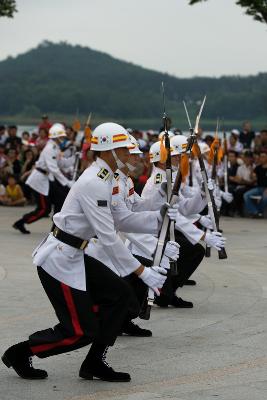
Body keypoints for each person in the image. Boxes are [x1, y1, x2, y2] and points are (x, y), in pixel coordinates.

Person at [2, 122, 167, 382]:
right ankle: (21, 352)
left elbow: (122, 218)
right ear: (108, 151)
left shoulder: (110, 178)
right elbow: (108, 238)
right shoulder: (94, 182)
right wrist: (142, 271)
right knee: (79, 331)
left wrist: (158, 218)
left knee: (120, 296)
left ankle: (94, 363)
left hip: (76, 254)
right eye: (123, 149)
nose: (129, 154)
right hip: (59, 260)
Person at [12, 123, 74, 234]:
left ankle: (55, 228)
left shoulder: (55, 147)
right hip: (39, 181)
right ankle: (21, 222)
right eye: (62, 137)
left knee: (61, 199)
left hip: (46, 179)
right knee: (44, 209)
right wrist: (67, 183)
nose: (63, 139)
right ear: (56, 137)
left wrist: (74, 156)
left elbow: (62, 164)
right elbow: (54, 169)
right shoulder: (50, 148)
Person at [243, 151, 267, 218]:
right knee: (246, 195)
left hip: (266, 189)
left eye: (263, 157)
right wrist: (252, 170)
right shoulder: (258, 167)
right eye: (261, 157)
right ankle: (255, 212)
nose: (262, 158)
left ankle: (259, 212)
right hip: (259, 188)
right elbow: (253, 177)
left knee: (265, 198)